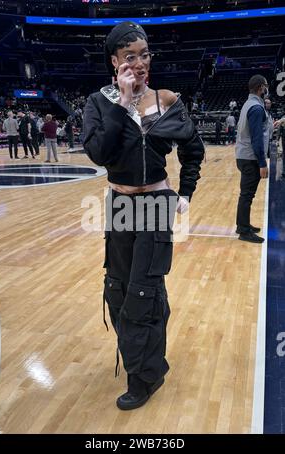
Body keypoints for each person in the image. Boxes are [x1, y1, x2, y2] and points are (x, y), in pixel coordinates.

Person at [83, 21, 204, 411]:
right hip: (119, 205)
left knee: (141, 293)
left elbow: (193, 148)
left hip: (155, 205)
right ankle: (146, 359)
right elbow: (100, 153)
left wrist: (185, 191)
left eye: (144, 54)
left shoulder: (167, 100)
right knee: (119, 289)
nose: (139, 63)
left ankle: (145, 377)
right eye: (129, 56)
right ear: (114, 61)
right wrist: (122, 102)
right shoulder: (98, 103)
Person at [235, 74, 270, 243]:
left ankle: (243, 225)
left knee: (246, 195)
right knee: (247, 195)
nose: (266, 89)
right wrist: (262, 163)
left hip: (244, 155)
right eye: (265, 86)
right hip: (250, 157)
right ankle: (243, 231)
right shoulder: (256, 108)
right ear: (260, 87)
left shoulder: (248, 104)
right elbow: (256, 138)